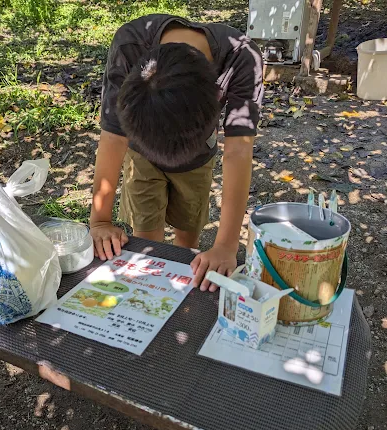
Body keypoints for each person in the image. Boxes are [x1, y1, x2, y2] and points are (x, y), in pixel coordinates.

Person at [90, 14, 263, 291]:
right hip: (141, 155)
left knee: (188, 241)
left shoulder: (241, 58)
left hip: (197, 159)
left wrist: (226, 246)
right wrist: (99, 221)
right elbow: (112, 135)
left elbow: (238, 151)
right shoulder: (129, 45)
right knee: (146, 241)